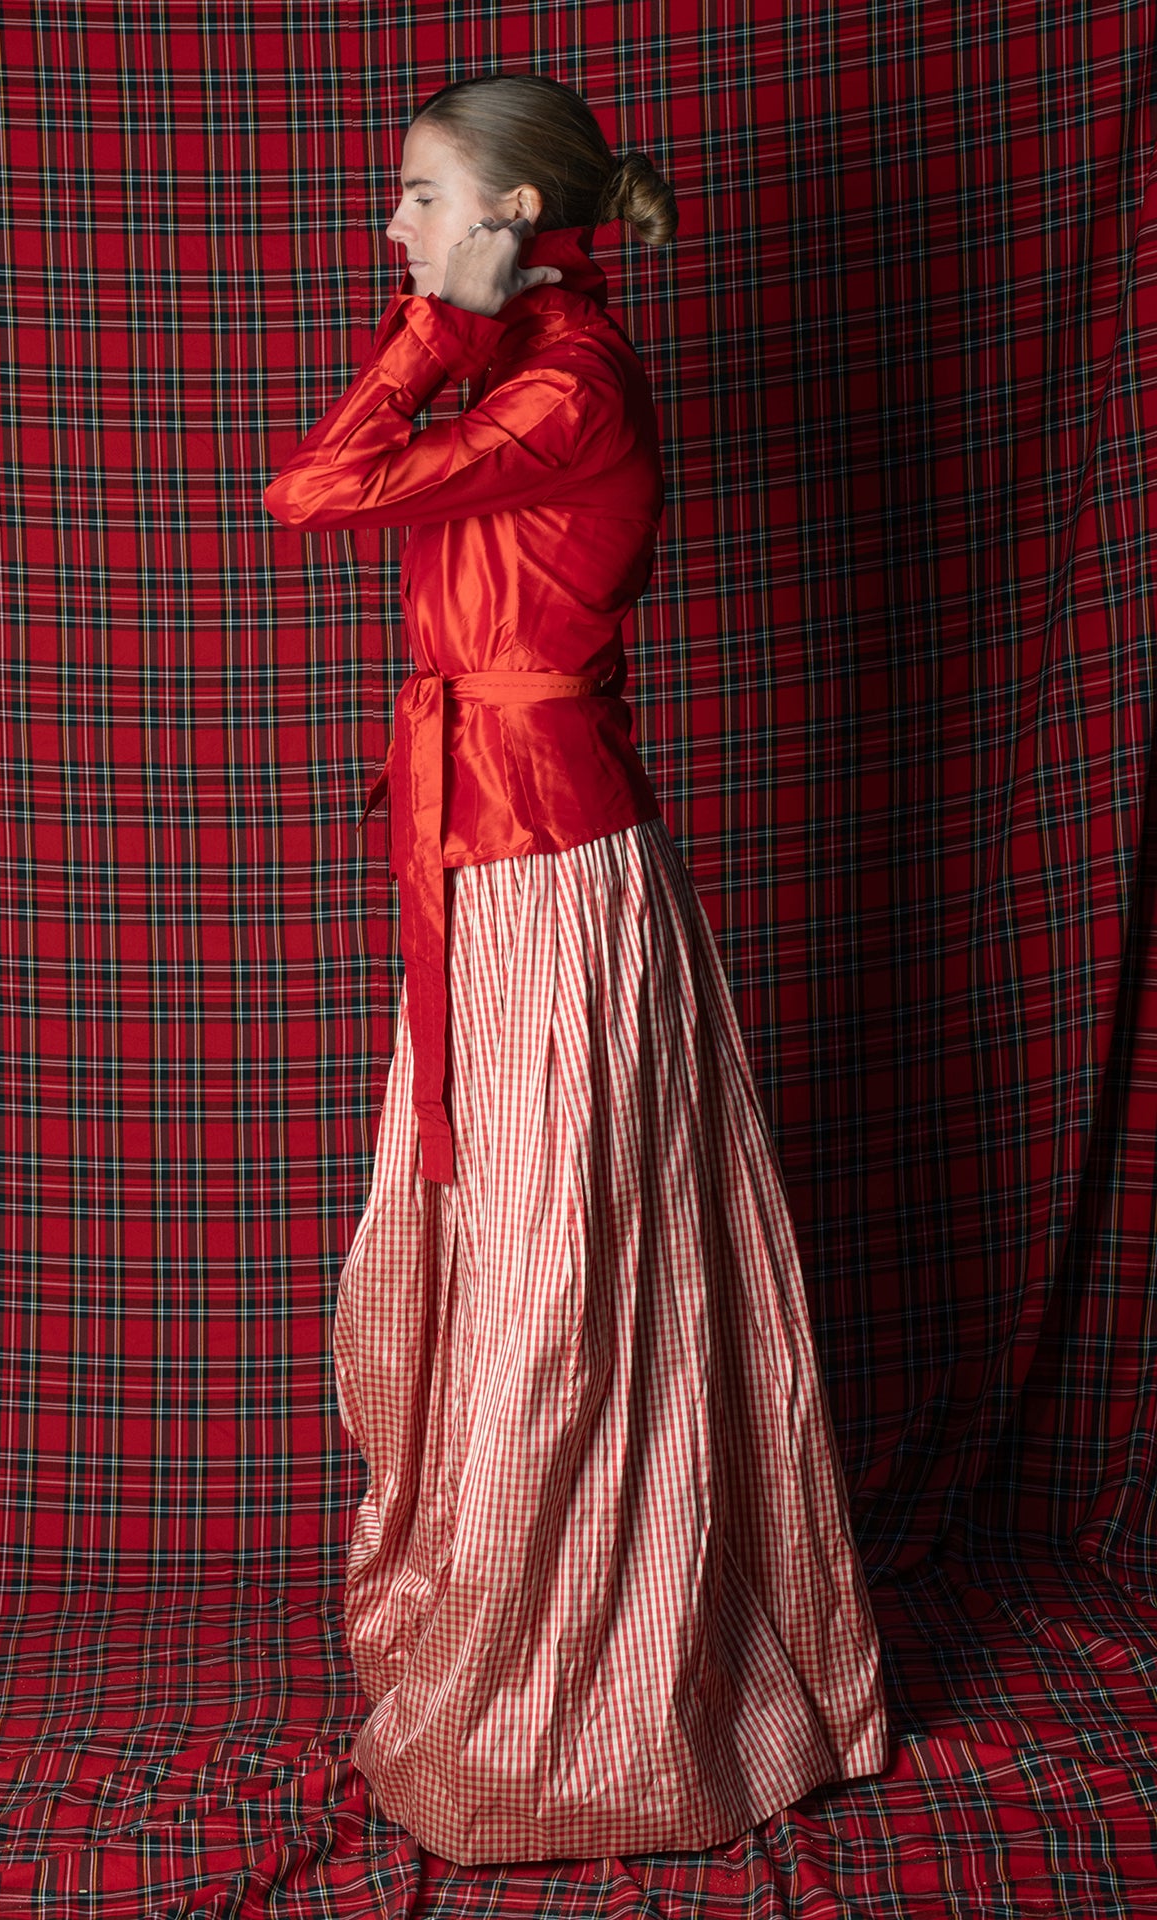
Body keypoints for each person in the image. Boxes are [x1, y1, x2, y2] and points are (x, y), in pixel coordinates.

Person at [263, 70, 888, 1867]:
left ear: (513, 213)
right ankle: (522, 1625)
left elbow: (313, 491)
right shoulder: (532, 360)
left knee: (565, 1275)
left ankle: (589, 1701)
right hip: (496, 857)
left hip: (548, 872)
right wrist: (448, 322)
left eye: (420, 196)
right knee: (517, 1251)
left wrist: (424, 334)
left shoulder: (565, 387)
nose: (394, 226)